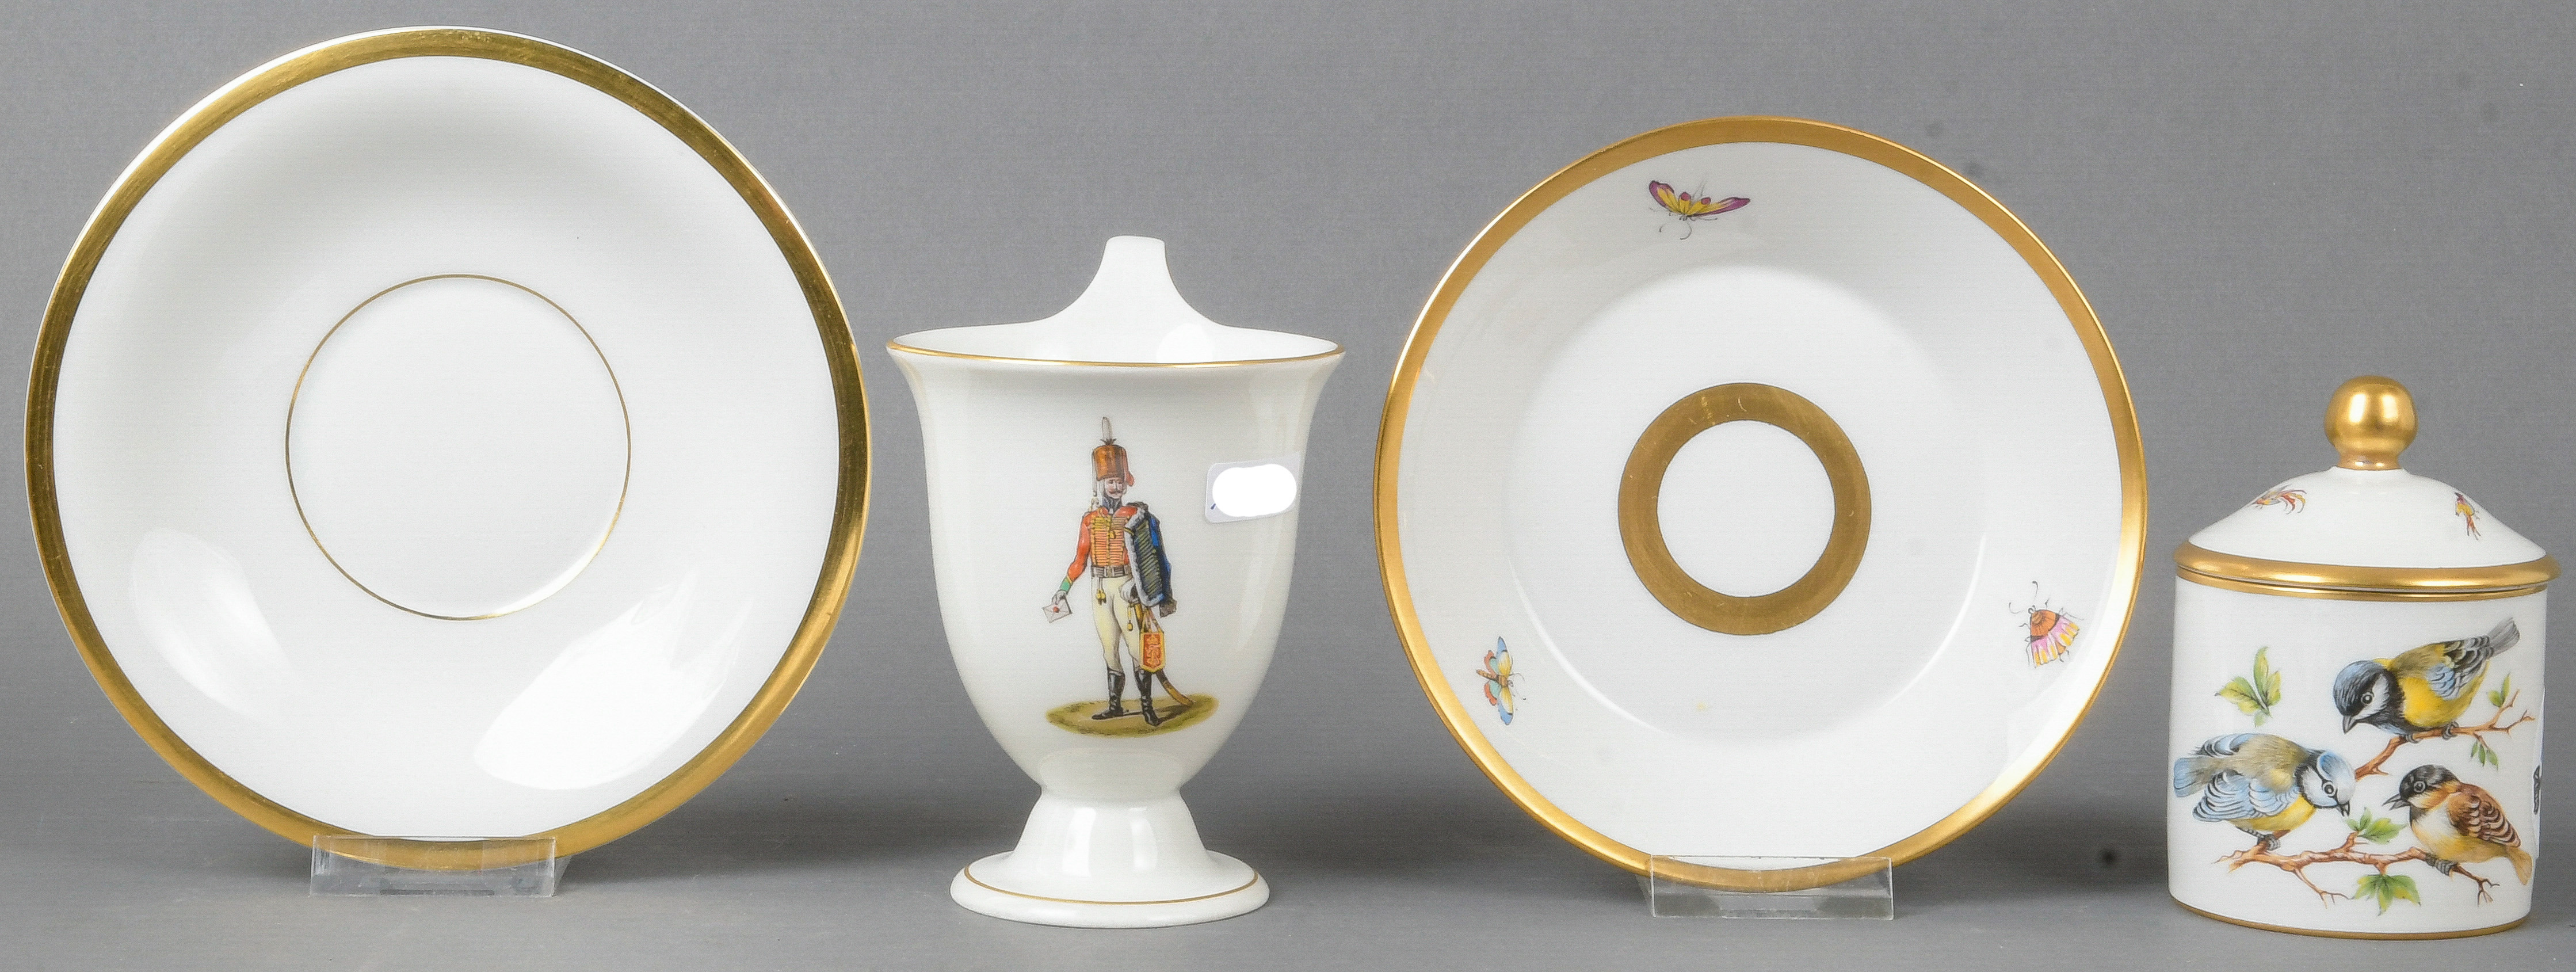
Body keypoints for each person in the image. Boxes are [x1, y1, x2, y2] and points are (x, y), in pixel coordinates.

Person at [1047, 418, 1186, 725]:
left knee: (1137, 648)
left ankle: (1148, 708)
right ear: (1101, 484)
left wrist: (1143, 587)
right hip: (1099, 588)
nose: (1116, 487)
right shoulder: (1089, 519)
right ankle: (1116, 706)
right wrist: (1063, 588)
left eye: (1120, 481)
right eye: (1111, 481)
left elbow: (1153, 557)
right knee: (1109, 649)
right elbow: (1080, 559)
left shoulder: (1137, 516)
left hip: (1127, 587)